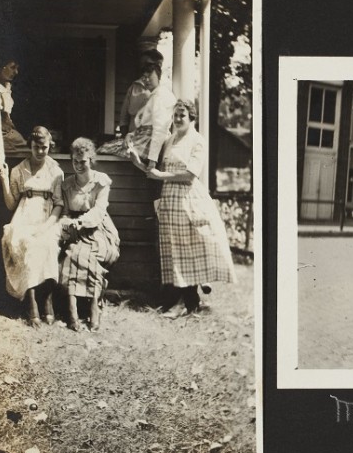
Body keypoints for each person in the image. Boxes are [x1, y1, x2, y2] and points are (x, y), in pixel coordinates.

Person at [128, 100, 235, 318]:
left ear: (192, 117)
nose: (177, 119)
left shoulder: (198, 141)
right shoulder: (169, 140)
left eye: (182, 115)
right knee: (175, 251)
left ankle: (185, 302)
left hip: (188, 199)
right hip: (170, 200)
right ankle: (187, 303)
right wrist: (137, 162)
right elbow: (155, 172)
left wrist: (162, 176)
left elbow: (189, 175)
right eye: (175, 115)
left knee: (191, 248)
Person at [0, 126, 64, 326]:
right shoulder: (19, 170)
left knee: (47, 245)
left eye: (44, 147)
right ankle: (33, 302)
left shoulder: (55, 171)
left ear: (49, 146)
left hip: (48, 217)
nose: (41, 152)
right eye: (37, 147)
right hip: (24, 216)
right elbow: (11, 204)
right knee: (24, 243)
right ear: (31, 146)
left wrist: (47, 226)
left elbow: (59, 204)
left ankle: (47, 300)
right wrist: (3, 179)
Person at [59, 138, 121, 332]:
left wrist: (81, 222)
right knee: (72, 254)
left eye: (83, 161)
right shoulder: (67, 185)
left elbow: (99, 211)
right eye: (75, 161)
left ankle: (94, 306)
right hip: (74, 229)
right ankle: (73, 311)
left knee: (92, 254)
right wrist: (69, 223)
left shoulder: (101, 181)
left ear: (91, 159)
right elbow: (65, 212)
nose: (78, 165)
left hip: (98, 228)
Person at [99, 50, 175, 162]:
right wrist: (128, 135)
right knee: (105, 148)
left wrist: (153, 159)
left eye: (149, 65)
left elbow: (161, 128)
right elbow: (124, 117)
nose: (147, 78)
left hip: (150, 143)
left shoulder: (163, 92)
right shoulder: (135, 87)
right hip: (135, 137)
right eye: (144, 65)